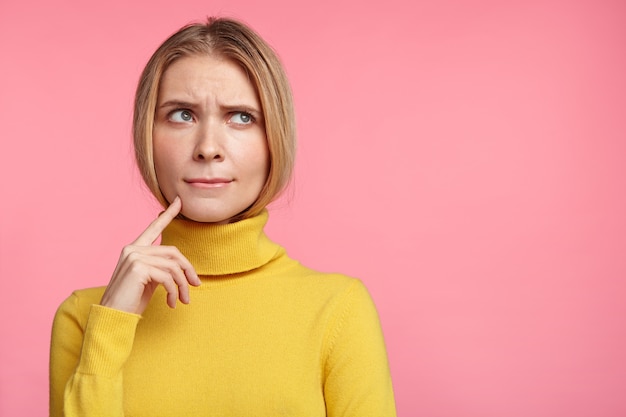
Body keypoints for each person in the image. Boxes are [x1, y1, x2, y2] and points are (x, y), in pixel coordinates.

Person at [49, 17, 396, 416]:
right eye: (182, 115)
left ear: (274, 139)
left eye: (241, 117)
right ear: (147, 134)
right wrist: (108, 332)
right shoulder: (84, 318)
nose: (208, 148)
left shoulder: (339, 309)